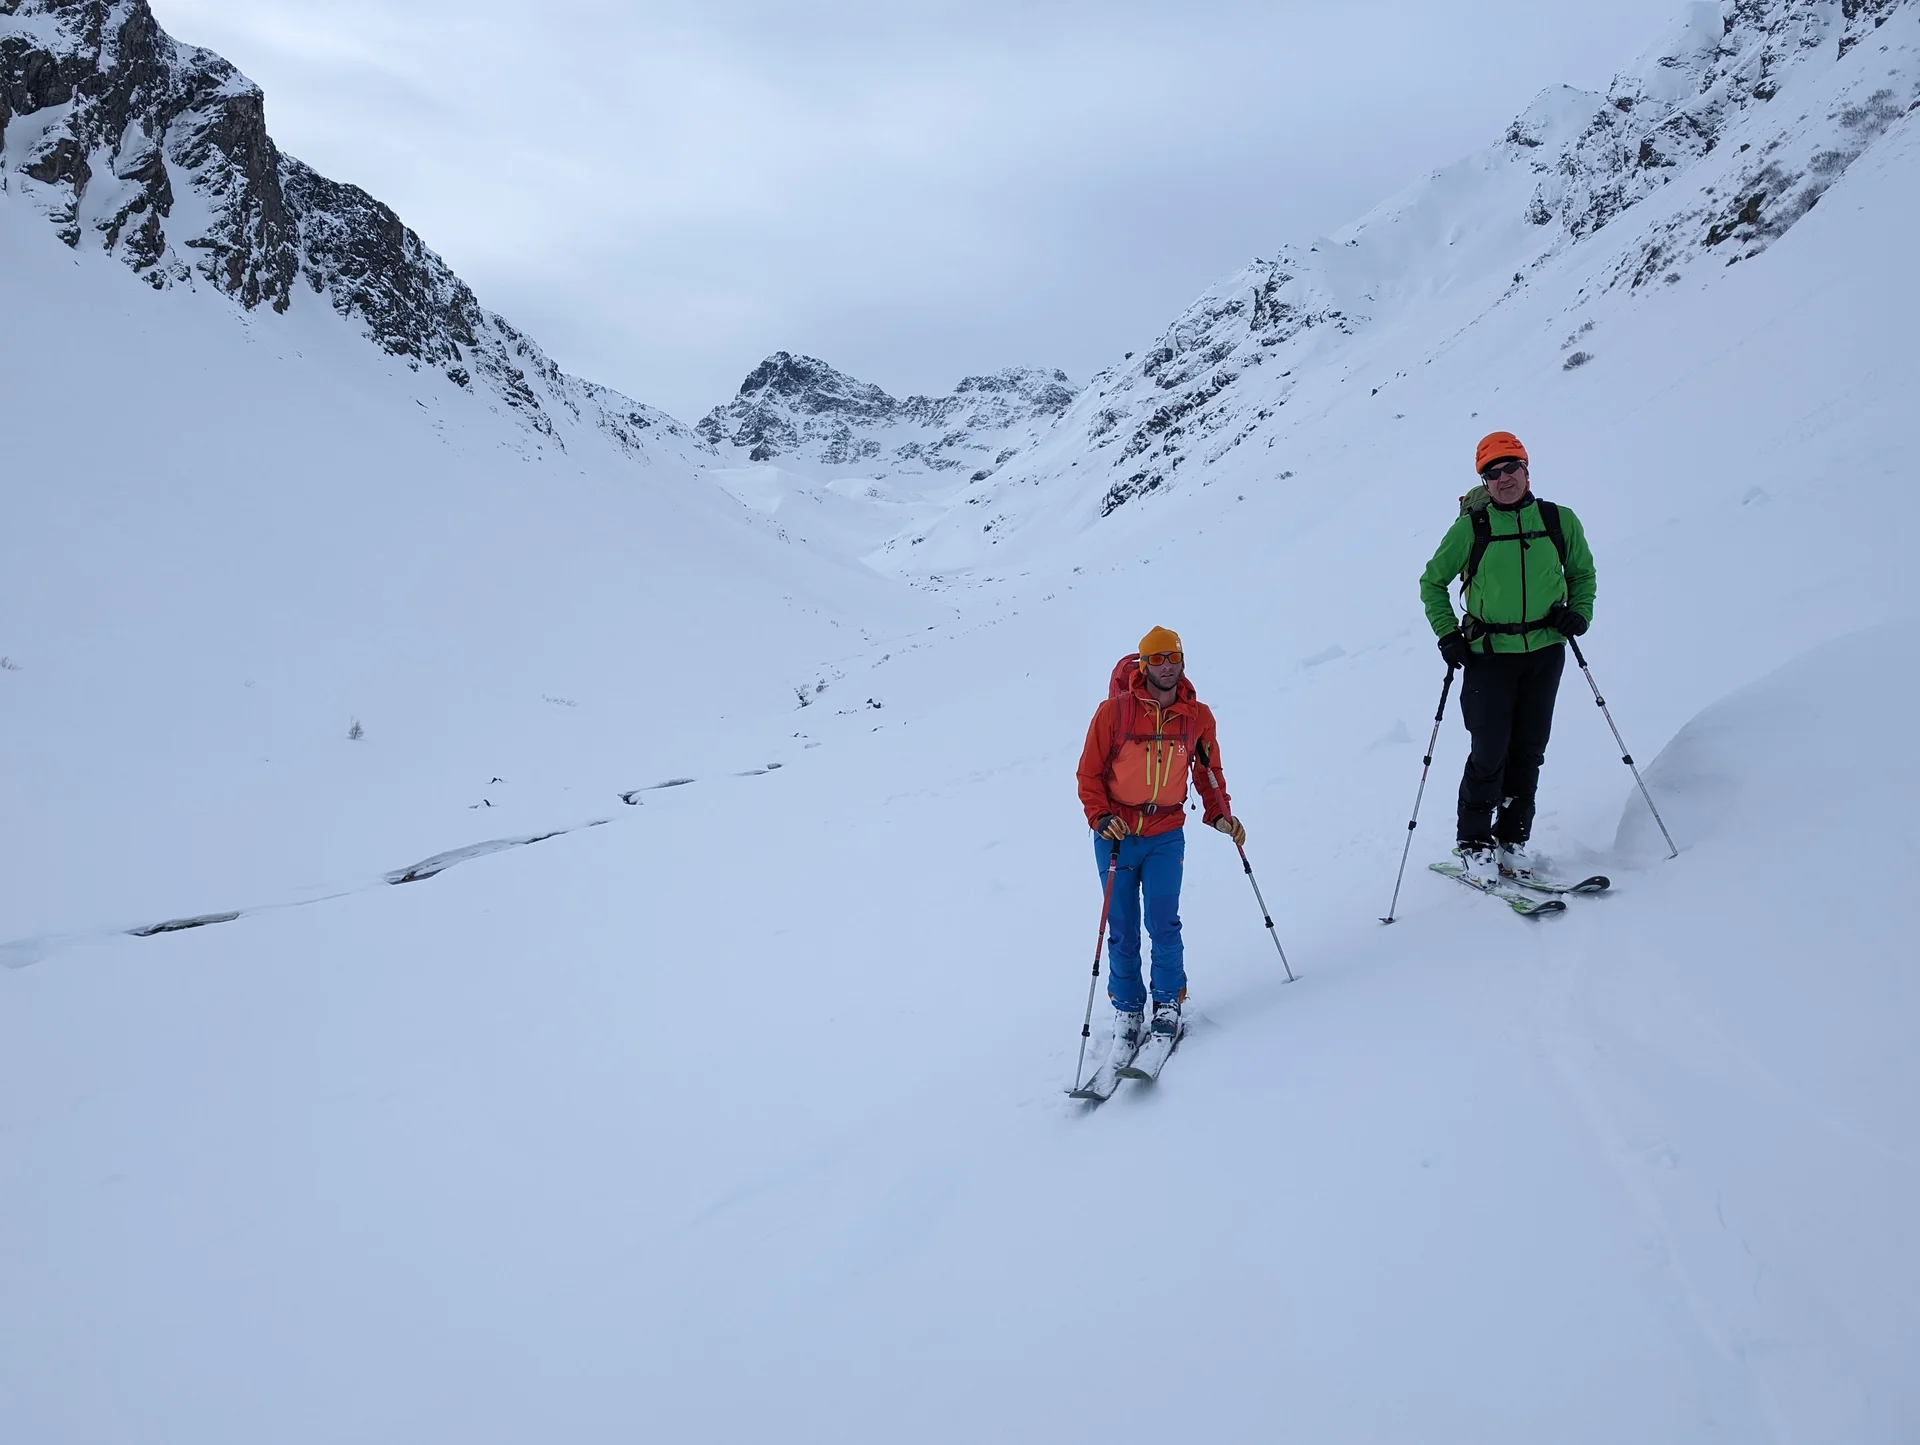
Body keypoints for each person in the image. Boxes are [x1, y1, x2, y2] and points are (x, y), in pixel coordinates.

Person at [1418, 431, 1597, 882]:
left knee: (1529, 750)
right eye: (1492, 473)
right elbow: (1432, 582)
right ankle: (1474, 843)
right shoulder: (1471, 528)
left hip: (1545, 652)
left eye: (1510, 467)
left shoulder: (1559, 520)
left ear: (1526, 469)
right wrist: (1448, 634)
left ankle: (1512, 838)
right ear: (1485, 481)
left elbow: (1582, 574)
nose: (1503, 478)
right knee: (1489, 752)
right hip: (1489, 655)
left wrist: (1579, 613)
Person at [1075, 627, 1245, 1059]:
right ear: (1144, 665)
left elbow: (1208, 772)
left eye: (1172, 657)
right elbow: (1089, 774)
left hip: (1166, 833)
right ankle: (1128, 1009)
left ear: (1183, 661)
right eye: (1156, 659)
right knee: (1121, 926)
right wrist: (1101, 816)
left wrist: (1220, 813)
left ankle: (1167, 1002)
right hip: (1116, 835)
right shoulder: (1113, 713)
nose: (1166, 665)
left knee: (1164, 922)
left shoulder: (1197, 717)